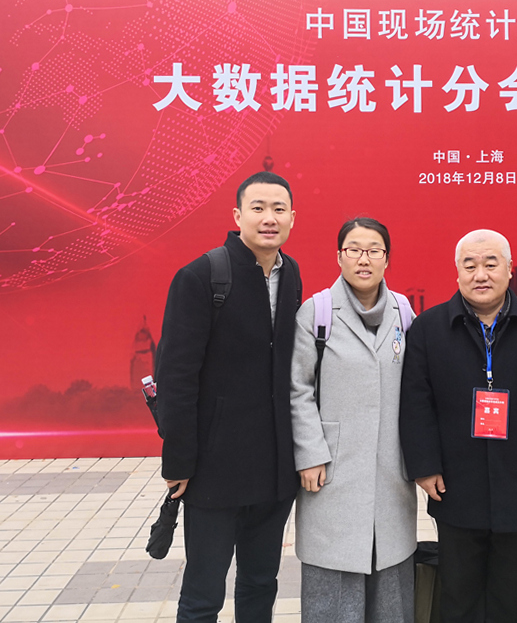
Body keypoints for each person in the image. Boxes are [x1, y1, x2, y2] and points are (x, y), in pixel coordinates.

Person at [400, 229, 517, 623]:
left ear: (509, 270)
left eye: (490, 264)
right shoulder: (429, 328)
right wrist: (424, 466)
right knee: (457, 591)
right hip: (454, 483)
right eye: (470, 265)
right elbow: (416, 403)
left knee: (510, 591)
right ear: (457, 273)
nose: (480, 274)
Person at [156, 171, 302, 623]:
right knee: (203, 594)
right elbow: (176, 378)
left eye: (278, 209)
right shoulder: (201, 276)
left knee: (260, 584)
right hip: (215, 470)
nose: (269, 218)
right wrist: (178, 463)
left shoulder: (291, 273)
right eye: (258, 208)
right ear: (237, 216)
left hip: (274, 470)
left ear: (292, 218)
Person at [289, 217, 417, 623]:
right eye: (354, 250)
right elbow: (298, 389)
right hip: (332, 470)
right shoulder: (317, 312)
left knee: (391, 589)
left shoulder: (403, 311)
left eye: (374, 250)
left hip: (390, 471)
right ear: (339, 256)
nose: (364, 259)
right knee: (334, 581)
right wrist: (310, 454)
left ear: (387, 259)